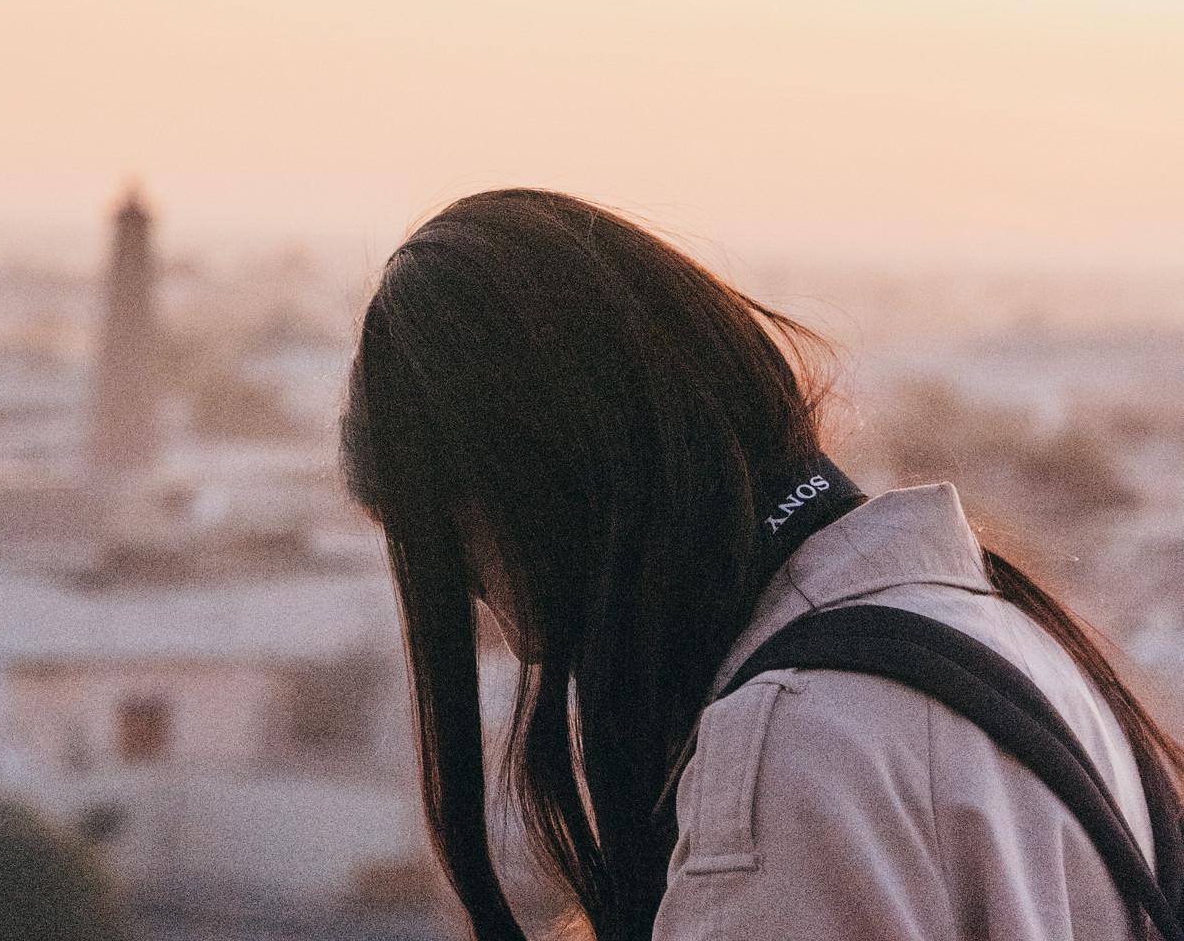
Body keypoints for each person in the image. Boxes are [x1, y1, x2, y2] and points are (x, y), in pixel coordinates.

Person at [337, 187, 1184, 941]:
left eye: (465, 554)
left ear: (542, 493)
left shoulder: (798, 739)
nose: (502, 626)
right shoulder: (988, 628)